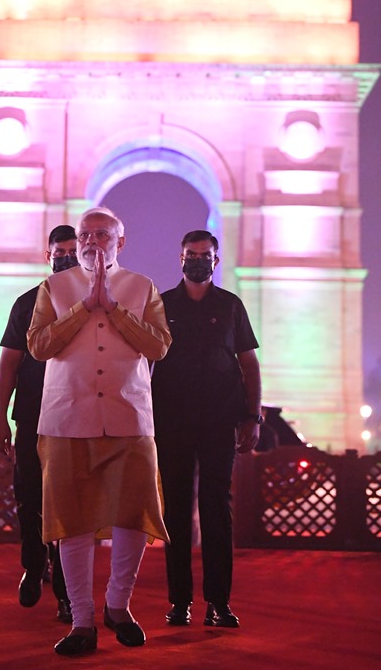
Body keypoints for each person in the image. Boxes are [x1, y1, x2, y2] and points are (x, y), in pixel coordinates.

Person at [27, 207, 171, 657]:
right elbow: (38, 346)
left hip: (129, 417)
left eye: (102, 234)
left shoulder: (142, 287)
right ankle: (82, 620)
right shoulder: (53, 288)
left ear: (120, 242)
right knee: (71, 521)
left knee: (133, 515)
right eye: (85, 234)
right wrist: (84, 307)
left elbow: (159, 346)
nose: (92, 241)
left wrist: (113, 309)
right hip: (66, 419)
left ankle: (119, 605)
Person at [151, 229, 262, 630]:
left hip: (219, 420)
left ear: (217, 260)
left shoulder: (231, 306)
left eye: (204, 255)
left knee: (217, 510)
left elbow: (249, 364)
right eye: (190, 254)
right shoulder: (161, 305)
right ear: (180, 258)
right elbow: (143, 363)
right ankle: (179, 602)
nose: (197, 260)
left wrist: (253, 416)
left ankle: (219, 603)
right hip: (172, 420)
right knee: (176, 511)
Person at [0, 225, 77, 621]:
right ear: (48, 256)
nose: (66, 259)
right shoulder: (27, 303)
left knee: (70, 504)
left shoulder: (99, 305)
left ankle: (66, 589)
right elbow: (9, 362)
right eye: (60, 253)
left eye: (72, 252)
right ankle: (33, 564)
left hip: (76, 418)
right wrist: (0, 416)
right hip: (31, 414)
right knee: (28, 495)